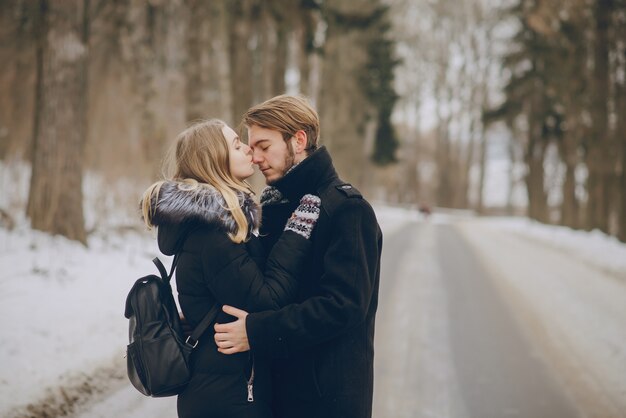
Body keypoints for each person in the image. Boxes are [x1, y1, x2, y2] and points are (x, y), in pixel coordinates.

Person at [214, 95, 383, 418]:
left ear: (299, 140)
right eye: (252, 147)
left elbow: (343, 307)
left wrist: (257, 332)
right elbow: (261, 290)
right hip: (275, 396)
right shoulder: (275, 208)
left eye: (265, 146)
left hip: (326, 401)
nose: (256, 157)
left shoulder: (347, 209)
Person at [139, 119, 321, 418]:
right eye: (237, 145)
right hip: (228, 398)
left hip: (225, 387)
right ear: (214, 161)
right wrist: (295, 232)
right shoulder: (213, 232)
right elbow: (267, 301)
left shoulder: (213, 224)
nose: (249, 150)